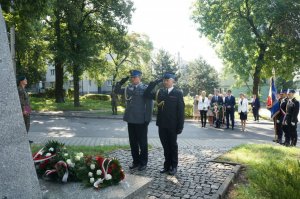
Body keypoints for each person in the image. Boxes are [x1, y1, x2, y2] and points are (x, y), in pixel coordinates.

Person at [144, 72, 185, 175]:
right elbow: (146, 94)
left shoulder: (178, 93)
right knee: (165, 146)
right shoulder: (160, 92)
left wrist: (180, 126)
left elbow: (181, 111)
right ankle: (167, 166)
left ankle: (174, 166)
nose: (165, 82)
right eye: (164, 80)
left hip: (172, 125)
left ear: (173, 81)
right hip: (162, 124)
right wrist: (154, 83)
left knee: (173, 146)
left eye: (167, 80)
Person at [114, 70, 153, 171]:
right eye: (131, 77)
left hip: (141, 120)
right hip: (130, 119)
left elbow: (149, 104)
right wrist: (120, 83)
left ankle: (143, 162)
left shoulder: (145, 88)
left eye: (134, 77)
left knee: (143, 143)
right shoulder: (128, 88)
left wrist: (148, 119)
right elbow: (117, 91)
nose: (132, 79)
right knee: (133, 142)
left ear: (139, 77)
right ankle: (135, 161)